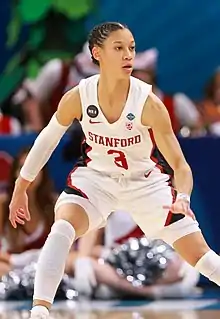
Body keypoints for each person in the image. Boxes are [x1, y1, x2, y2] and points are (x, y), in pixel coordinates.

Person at [8, 22, 220, 319]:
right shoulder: (78, 97)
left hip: (145, 184)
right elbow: (45, 141)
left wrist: (182, 197)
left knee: (203, 258)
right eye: (118, 48)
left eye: (131, 47)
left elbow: (181, 166)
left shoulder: (148, 103)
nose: (128, 55)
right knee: (63, 227)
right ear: (97, 53)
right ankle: (39, 312)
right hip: (97, 180)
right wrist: (21, 188)